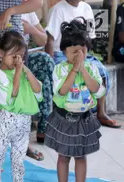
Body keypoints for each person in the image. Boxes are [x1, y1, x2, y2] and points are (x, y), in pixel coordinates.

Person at [44, 18, 104, 182]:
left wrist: (83, 71)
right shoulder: (60, 69)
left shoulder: (92, 67)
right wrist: (74, 70)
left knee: (81, 157)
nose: (79, 54)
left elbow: (98, 90)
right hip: (64, 119)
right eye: (74, 51)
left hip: (84, 120)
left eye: (83, 50)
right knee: (63, 156)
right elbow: (61, 91)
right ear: (64, 52)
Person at [0, 30, 42, 182]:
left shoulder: (21, 70)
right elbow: (13, 93)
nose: (18, 59)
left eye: (21, 55)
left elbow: (37, 90)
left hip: (24, 121)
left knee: (19, 161)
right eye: (14, 55)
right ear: (1, 54)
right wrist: (19, 71)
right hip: (6, 120)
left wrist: (24, 69)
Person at [45, 0, 121, 128]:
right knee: (67, 76)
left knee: (101, 71)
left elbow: (90, 38)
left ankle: (101, 113)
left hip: (83, 54)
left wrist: (86, 59)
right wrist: (50, 62)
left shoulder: (87, 8)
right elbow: (50, 40)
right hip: (62, 55)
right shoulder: (58, 9)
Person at [22, 10, 55, 160]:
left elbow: (43, 40)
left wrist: (30, 29)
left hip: (25, 60)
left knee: (45, 61)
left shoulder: (27, 8)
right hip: (5, 61)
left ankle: (43, 126)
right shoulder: (2, 6)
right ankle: (43, 127)